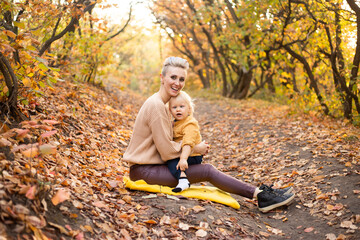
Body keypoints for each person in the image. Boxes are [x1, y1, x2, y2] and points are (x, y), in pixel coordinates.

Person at [123, 56, 295, 213]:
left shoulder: (164, 106)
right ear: (162, 78)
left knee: (206, 169)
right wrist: (196, 148)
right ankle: (261, 196)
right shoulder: (157, 106)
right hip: (144, 172)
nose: (177, 83)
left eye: (181, 79)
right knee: (207, 170)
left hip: (152, 168)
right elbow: (167, 152)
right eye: (173, 77)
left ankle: (261, 193)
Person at [167, 91, 203, 192]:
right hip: (182, 152)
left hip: (192, 155)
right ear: (170, 110)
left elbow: (188, 142)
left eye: (182, 106)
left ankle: (183, 179)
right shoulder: (174, 123)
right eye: (174, 107)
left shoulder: (190, 124)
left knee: (172, 161)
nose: (178, 109)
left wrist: (183, 159)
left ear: (189, 109)